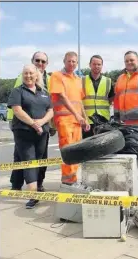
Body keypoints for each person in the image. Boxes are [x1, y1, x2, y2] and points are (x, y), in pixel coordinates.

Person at [7, 51, 55, 192]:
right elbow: (16, 105)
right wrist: (14, 121)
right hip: (22, 126)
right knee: (22, 158)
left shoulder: (49, 80)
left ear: (47, 64)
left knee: (40, 157)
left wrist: (49, 124)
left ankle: (37, 185)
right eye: (37, 60)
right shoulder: (21, 79)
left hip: (43, 127)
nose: (40, 63)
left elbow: (51, 105)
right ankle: (17, 185)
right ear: (32, 61)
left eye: (43, 61)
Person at [49, 51, 90, 185]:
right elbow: (62, 97)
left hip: (77, 121)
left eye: (74, 62)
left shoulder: (78, 80)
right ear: (64, 61)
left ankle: (73, 178)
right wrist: (77, 115)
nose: (72, 64)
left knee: (77, 150)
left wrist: (85, 119)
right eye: (69, 61)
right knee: (67, 149)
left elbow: (80, 102)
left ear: (77, 63)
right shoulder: (57, 76)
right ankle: (67, 181)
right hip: (64, 119)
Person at [82, 55, 114, 138]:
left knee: (103, 148)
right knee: (87, 148)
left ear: (102, 66)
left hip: (104, 121)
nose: (96, 66)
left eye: (99, 64)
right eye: (94, 64)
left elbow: (111, 99)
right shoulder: (82, 81)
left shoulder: (108, 81)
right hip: (87, 121)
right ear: (90, 65)